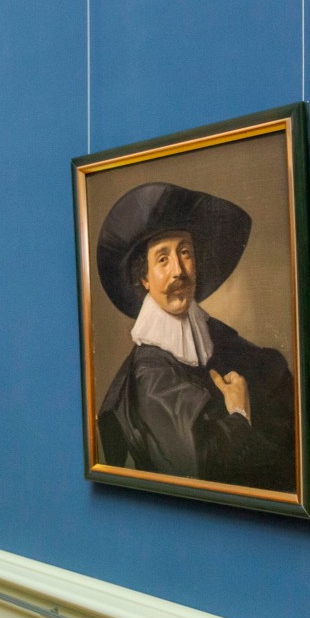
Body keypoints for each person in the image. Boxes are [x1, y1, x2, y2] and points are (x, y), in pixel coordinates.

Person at [95, 182, 296, 492]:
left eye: (185, 253)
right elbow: (198, 465)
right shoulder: (151, 372)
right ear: (144, 279)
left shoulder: (207, 331)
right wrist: (240, 413)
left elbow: (273, 376)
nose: (179, 271)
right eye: (163, 259)